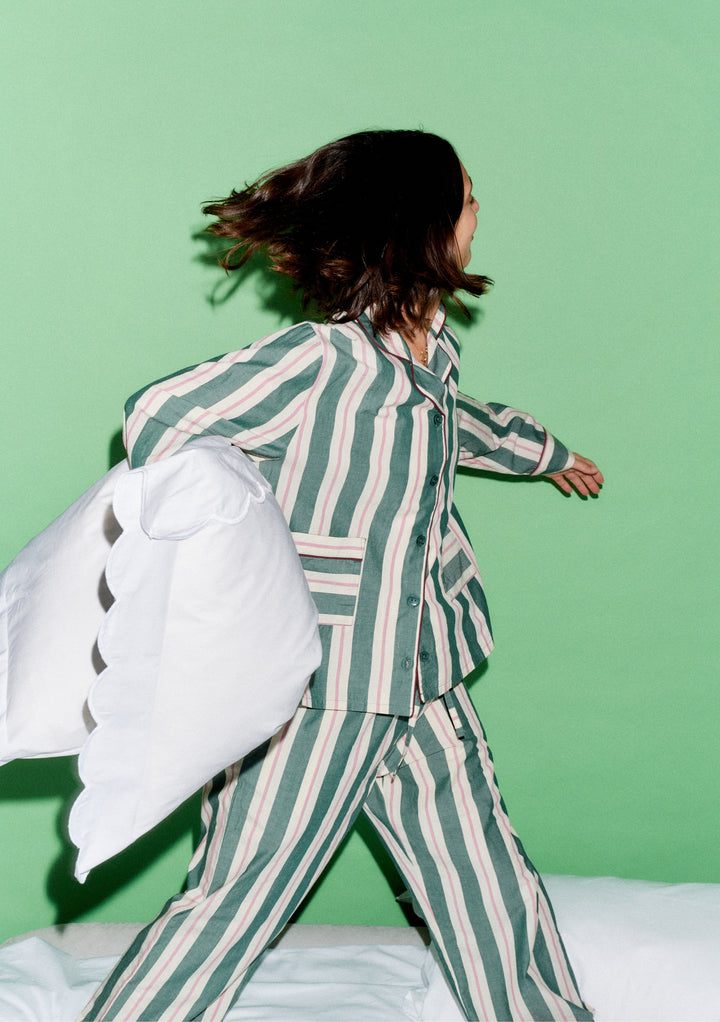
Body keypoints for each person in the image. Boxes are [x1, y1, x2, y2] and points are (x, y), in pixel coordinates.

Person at [79, 129, 601, 1022]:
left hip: (426, 668)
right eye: (468, 196)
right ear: (421, 224)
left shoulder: (429, 361)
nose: (481, 211)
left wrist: (544, 450)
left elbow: (456, 425)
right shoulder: (318, 364)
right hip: (321, 686)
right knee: (238, 897)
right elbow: (158, 416)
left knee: (487, 885)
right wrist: (241, 541)